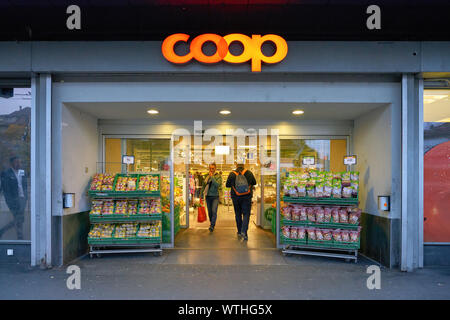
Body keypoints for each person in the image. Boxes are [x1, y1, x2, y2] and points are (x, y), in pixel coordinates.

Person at [226, 162, 256, 241]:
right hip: (246, 197)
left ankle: (239, 231)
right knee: (246, 214)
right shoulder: (249, 173)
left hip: (236, 197)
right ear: (244, 165)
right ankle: (244, 232)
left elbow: (227, 185)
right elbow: (255, 182)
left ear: (236, 165)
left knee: (238, 214)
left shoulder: (232, 174)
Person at [0, 157, 27, 240]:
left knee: (20, 219)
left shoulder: (22, 172)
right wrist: (10, 199)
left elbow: (24, 185)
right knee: (18, 218)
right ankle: (20, 237)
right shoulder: (6, 173)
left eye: (20, 162)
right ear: (12, 163)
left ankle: (2, 231)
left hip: (22, 199)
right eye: (17, 162)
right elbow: (4, 187)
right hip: (13, 200)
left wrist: (26, 198)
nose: (19, 164)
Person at [200, 163, 222, 232]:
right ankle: (211, 222)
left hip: (215, 196)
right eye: (210, 168)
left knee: (214, 211)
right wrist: (201, 195)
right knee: (209, 212)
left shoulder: (218, 176)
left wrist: (212, 177)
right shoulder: (206, 176)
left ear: (215, 169)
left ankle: (212, 225)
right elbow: (204, 185)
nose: (211, 170)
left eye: (213, 168)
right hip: (208, 196)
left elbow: (217, 185)